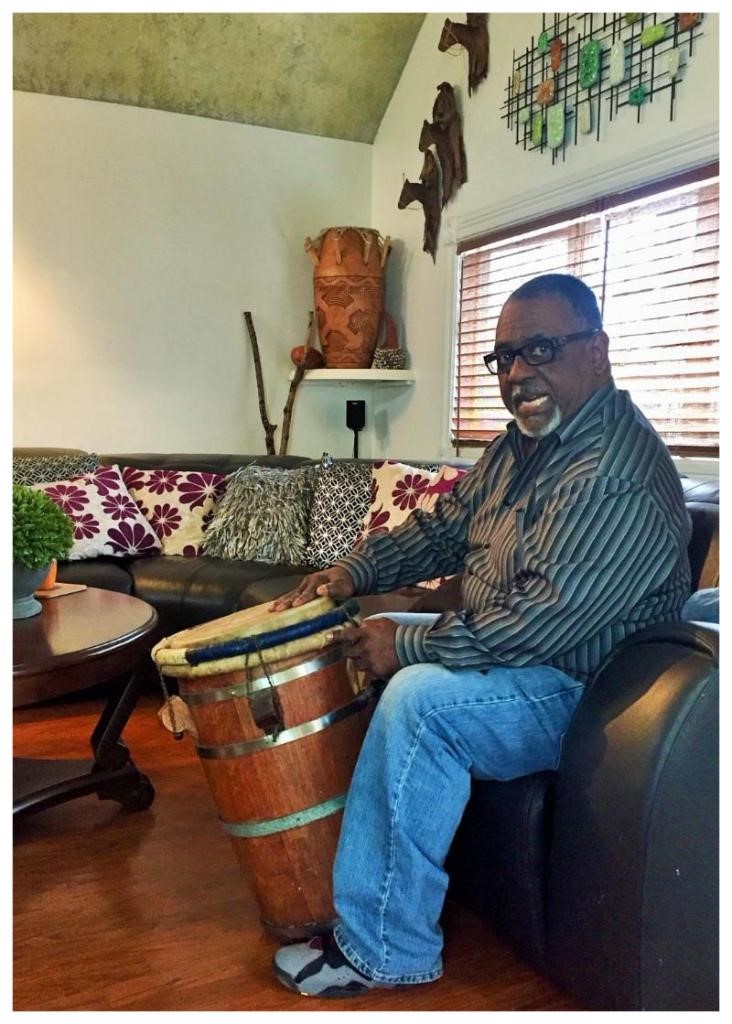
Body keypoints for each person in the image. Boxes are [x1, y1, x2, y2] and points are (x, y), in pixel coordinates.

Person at [270, 273, 692, 998]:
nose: (519, 373)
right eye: (505, 358)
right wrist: (352, 571)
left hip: (586, 696)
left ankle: (386, 947)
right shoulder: (523, 445)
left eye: (540, 348)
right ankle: (342, 871)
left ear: (598, 351)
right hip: (517, 656)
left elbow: (538, 625)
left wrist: (405, 646)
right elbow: (445, 529)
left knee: (418, 700)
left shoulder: (614, 472)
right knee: (347, 635)